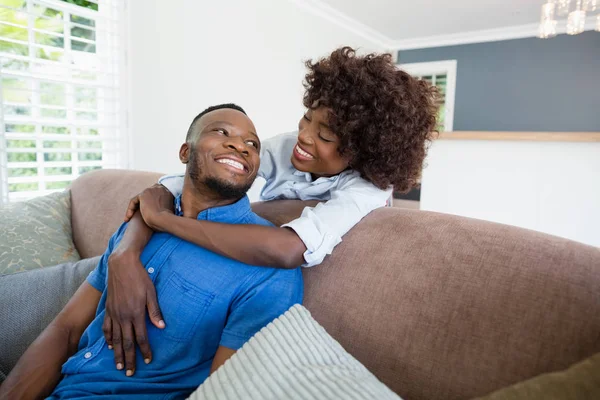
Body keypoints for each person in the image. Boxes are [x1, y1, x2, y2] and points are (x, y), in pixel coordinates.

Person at [103, 47, 439, 373]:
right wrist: (126, 251)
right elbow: (192, 180)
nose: (304, 137)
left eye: (323, 134)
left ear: (361, 153)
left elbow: (289, 248)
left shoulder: (367, 189)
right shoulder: (284, 146)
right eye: (307, 119)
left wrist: (164, 221)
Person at [0, 105, 303, 399]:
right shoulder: (139, 226)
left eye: (251, 143)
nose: (240, 145)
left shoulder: (269, 265)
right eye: (221, 131)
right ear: (186, 152)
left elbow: (224, 390)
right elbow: (66, 329)